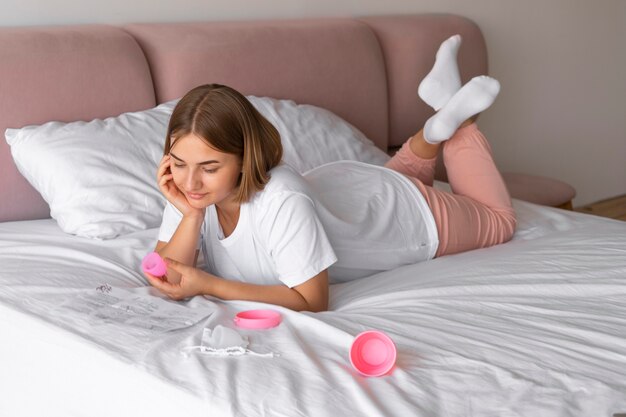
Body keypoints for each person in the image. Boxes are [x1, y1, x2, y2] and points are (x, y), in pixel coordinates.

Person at [144, 35, 516, 312]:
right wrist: (191, 214)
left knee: (499, 222)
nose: (190, 181)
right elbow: (170, 275)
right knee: (397, 176)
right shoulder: (192, 191)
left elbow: (312, 300)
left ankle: (459, 119)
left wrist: (212, 284)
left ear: (245, 157)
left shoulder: (282, 199)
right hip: (359, 188)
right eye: (178, 163)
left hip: (406, 218)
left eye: (209, 168)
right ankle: (436, 124)